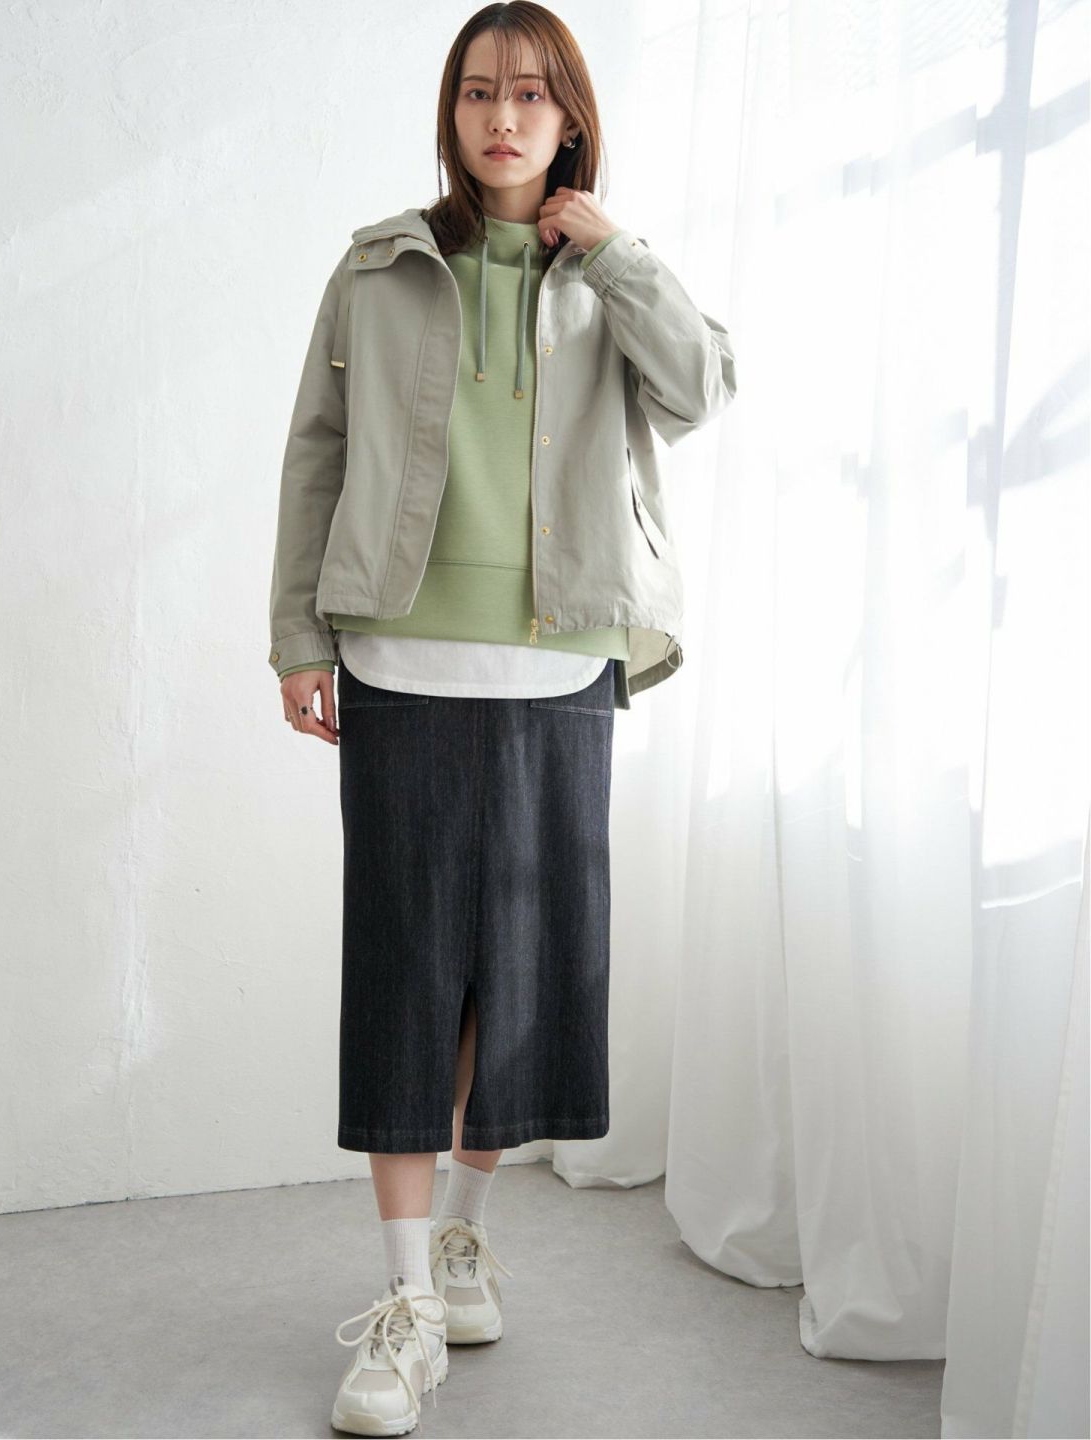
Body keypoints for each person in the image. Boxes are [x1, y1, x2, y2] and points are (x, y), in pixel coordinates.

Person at [267, 4, 737, 1433]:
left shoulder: (608, 277)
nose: (502, 118)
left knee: (518, 987)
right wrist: (298, 637)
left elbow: (703, 389)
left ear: (569, 117)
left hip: (563, 669)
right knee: (405, 984)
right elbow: (316, 455)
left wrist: (619, 249)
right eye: (479, 92)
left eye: (531, 95)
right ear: (452, 112)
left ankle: (467, 1239)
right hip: (400, 666)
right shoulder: (378, 267)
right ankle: (404, 1303)